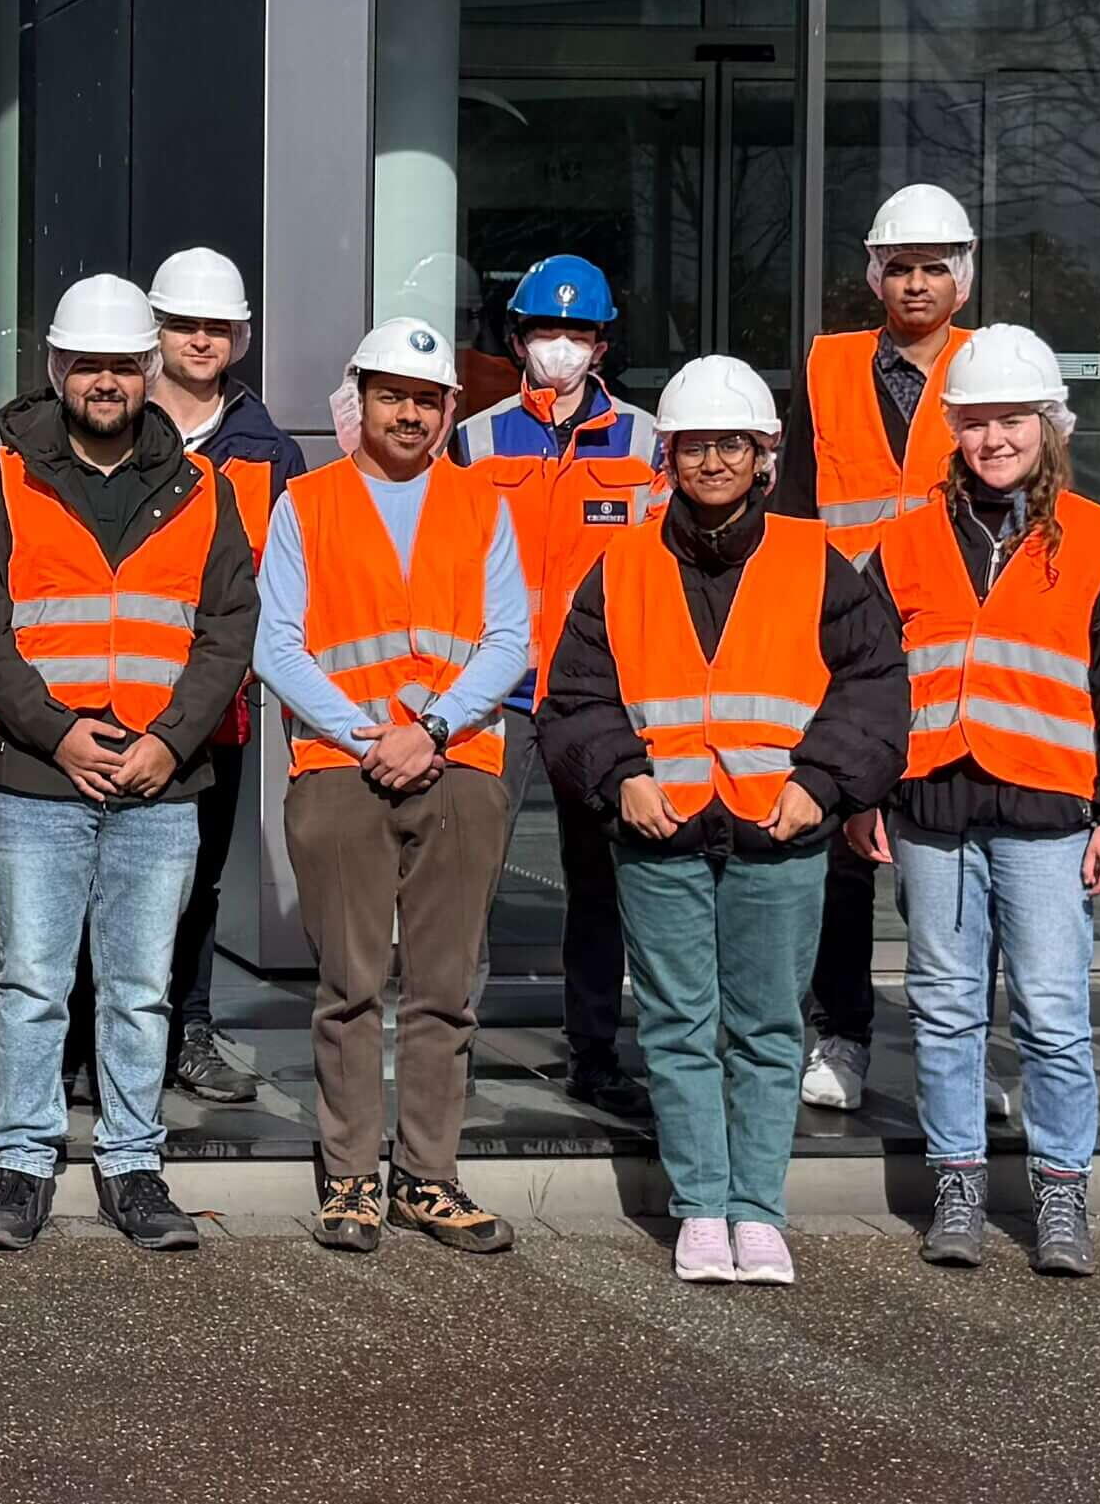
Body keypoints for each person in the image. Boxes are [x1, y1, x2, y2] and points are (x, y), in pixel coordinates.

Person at [536, 357, 907, 1286]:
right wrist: (619, 775)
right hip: (659, 831)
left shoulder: (815, 562)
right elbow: (575, 697)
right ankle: (702, 1206)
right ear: (668, 456)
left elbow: (875, 689)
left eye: (728, 444)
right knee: (675, 1024)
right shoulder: (618, 567)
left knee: (768, 1027)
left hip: (780, 833)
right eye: (694, 444)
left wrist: (823, 782)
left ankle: (759, 1211)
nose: (711, 460)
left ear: (763, 456)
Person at [859, 328, 1100, 1278]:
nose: (994, 437)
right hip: (933, 810)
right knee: (946, 1006)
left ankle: (1060, 1194)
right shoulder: (904, 540)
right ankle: (956, 1182)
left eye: (1012, 419)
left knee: (1050, 1012)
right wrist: (864, 792)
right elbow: (869, 681)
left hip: (1047, 818)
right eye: (976, 421)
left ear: (1049, 426)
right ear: (952, 429)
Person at [0, 276, 255, 1253]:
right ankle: (23, 1164)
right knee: (34, 981)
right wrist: (59, 732)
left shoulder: (202, 488)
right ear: (57, 369)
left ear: (150, 369)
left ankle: (133, 1163)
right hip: (40, 773)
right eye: (89, 363)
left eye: (125, 363)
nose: (108, 380)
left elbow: (227, 628)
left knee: (139, 987)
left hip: (161, 781)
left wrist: (169, 740)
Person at [263, 317, 529, 1257]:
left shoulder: (483, 503)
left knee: (446, 987)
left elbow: (509, 641)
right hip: (343, 767)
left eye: (426, 398)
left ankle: (426, 1177)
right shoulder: (307, 504)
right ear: (359, 401)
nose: (409, 412)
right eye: (392, 395)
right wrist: (370, 734)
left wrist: (434, 729)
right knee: (349, 984)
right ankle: (347, 1176)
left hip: (459, 766)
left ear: (451, 408)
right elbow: (278, 647)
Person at [66, 244, 306, 1110]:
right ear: (154, 333)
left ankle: (188, 1027)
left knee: (196, 874)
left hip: (214, 708)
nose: (201, 340)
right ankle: (90, 1033)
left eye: (217, 326)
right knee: (96, 874)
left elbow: (275, 593)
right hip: (107, 689)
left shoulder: (268, 451)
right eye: (183, 324)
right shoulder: (112, 429)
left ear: (238, 337)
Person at [781, 181, 979, 1114]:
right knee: (845, 848)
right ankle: (842, 1034)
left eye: (933, 268)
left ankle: (961, 1062)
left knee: (956, 851)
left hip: (957, 637)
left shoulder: (992, 371)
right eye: (898, 267)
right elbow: (793, 508)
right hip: (847, 641)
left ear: (962, 281)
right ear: (874, 277)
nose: (914, 284)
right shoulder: (827, 369)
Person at [450, 254, 664, 1117]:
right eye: (546, 331)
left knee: (598, 877)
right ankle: (449, 1049)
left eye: (576, 333)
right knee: (467, 875)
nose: (561, 347)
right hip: (496, 691)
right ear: (517, 339)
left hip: (594, 697)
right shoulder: (474, 437)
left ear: (602, 342)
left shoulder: (646, 443)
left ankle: (594, 1050)